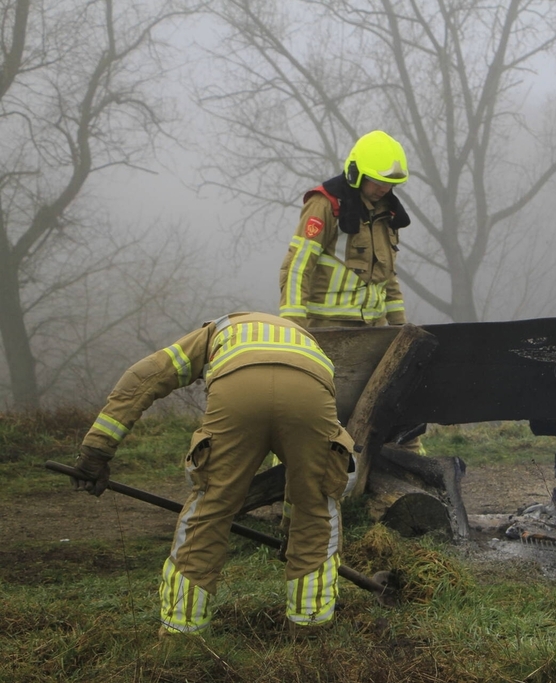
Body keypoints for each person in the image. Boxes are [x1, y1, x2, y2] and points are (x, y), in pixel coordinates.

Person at [70, 312, 355, 636]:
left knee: (210, 509)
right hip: (310, 394)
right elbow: (296, 472)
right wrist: (291, 525)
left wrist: (97, 450)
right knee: (316, 506)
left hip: (238, 393)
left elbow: (144, 377)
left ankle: (182, 632)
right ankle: (310, 629)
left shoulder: (218, 330)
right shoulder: (304, 339)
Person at [279, 129, 425, 455]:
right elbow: (297, 265)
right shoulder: (324, 206)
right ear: (355, 172)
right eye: (377, 181)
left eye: (390, 184)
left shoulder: (386, 212)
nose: (384, 189)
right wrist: (293, 325)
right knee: (310, 412)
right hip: (326, 333)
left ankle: (414, 474)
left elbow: (388, 278)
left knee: (393, 408)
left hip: (374, 333)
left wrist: (401, 328)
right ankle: (290, 477)